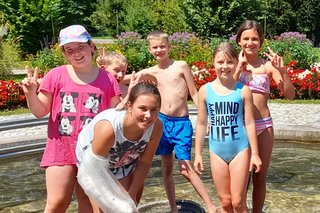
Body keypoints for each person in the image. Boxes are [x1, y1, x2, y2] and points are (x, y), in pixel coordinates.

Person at [21, 25, 122, 212]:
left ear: (91, 46)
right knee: (57, 202)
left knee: (88, 203)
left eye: (80, 47)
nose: (76, 53)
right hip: (61, 150)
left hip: (93, 152)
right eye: (70, 50)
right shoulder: (56, 75)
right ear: (65, 54)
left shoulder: (107, 79)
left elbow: (114, 117)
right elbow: (40, 111)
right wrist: (30, 94)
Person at [128, 30, 218, 213]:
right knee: (166, 168)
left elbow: (194, 93)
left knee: (185, 168)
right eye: (155, 47)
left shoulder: (180, 66)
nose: (159, 50)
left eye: (162, 46)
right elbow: (129, 78)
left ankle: (210, 206)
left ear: (170, 47)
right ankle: (173, 208)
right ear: (149, 50)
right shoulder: (151, 72)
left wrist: (205, 117)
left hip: (181, 123)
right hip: (161, 122)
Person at [234, 20, 295, 213]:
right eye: (246, 39)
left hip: (263, 126)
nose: (250, 43)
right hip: (240, 126)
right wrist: (238, 67)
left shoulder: (267, 67)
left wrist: (283, 71)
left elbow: (290, 95)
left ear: (261, 41)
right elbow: (223, 91)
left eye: (254, 39)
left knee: (260, 176)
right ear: (238, 41)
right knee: (241, 177)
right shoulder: (233, 65)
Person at [194, 42, 262, 213]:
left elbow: (249, 123)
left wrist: (254, 154)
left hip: (240, 149)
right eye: (220, 62)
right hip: (216, 151)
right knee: (225, 202)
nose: (225, 67)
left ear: (236, 63)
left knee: (238, 202)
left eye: (230, 62)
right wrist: (197, 154)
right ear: (213, 63)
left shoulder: (243, 91)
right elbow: (202, 123)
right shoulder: (205, 90)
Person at [76, 82, 163, 212]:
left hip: (124, 160)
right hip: (92, 164)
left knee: (129, 207)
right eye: (143, 108)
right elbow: (92, 173)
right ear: (129, 106)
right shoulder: (109, 129)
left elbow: (145, 162)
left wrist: (132, 194)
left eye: (154, 109)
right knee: (103, 209)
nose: (148, 116)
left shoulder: (156, 127)